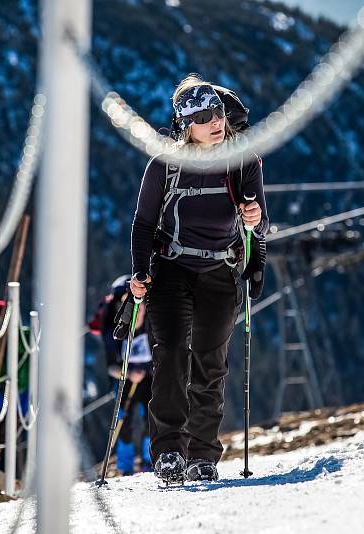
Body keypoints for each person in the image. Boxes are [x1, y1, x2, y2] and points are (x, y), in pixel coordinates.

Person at [128, 74, 268, 483]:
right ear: (184, 125)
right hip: (171, 270)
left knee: (211, 361)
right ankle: (169, 451)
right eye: (203, 117)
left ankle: (203, 454)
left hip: (221, 272)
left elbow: (263, 222)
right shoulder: (164, 165)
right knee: (170, 353)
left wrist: (256, 218)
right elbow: (142, 224)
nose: (215, 122)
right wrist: (140, 272)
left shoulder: (243, 162)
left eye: (218, 113)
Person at [101, 275, 154, 475]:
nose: (136, 315)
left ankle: (151, 459)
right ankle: (125, 466)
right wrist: (128, 374)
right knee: (124, 423)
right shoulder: (114, 333)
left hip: (149, 379)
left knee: (152, 417)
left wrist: (146, 372)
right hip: (124, 381)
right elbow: (110, 367)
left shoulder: (152, 329)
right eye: (132, 310)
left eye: (139, 310)